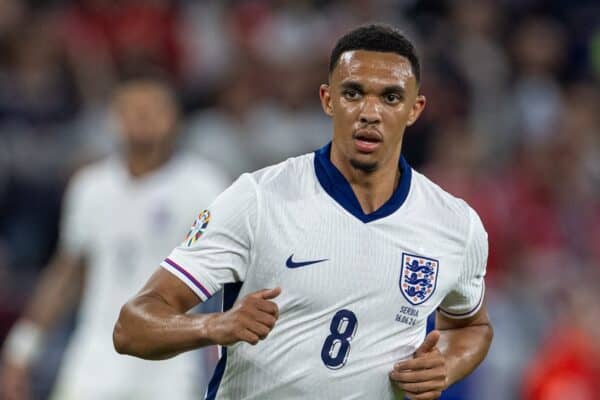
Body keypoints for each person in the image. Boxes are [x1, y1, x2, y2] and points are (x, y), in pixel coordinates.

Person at [113, 24, 493, 400]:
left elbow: (471, 326)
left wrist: (447, 366)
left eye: (391, 98)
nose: (370, 112)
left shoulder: (455, 225)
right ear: (328, 100)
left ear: (415, 109)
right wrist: (217, 324)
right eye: (353, 93)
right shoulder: (259, 200)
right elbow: (131, 327)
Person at [0, 77, 230, 400]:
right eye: (132, 108)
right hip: (94, 360)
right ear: (113, 118)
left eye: (153, 107)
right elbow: (68, 273)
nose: (143, 116)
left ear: (175, 117)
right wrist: (22, 348)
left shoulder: (204, 186)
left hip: (170, 368)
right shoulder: (90, 186)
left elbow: (232, 272)